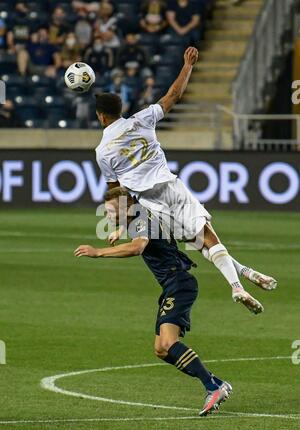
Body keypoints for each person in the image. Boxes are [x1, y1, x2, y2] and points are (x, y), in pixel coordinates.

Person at [94, 47, 277, 315]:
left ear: (100, 116)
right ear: (120, 109)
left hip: (150, 206)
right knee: (208, 236)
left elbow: (119, 196)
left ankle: (246, 274)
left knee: (199, 242)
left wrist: (121, 227)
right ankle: (237, 285)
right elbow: (174, 95)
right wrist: (187, 65)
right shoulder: (141, 119)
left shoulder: (101, 152)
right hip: (171, 189)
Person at [74, 187, 232, 417]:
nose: (106, 215)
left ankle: (212, 386)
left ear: (126, 208)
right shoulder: (139, 212)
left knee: (168, 342)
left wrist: (98, 252)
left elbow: (138, 247)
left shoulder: (140, 221)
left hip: (179, 284)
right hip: (173, 285)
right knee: (160, 350)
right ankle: (216, 382)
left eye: (111, 211)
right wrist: (120, 229)